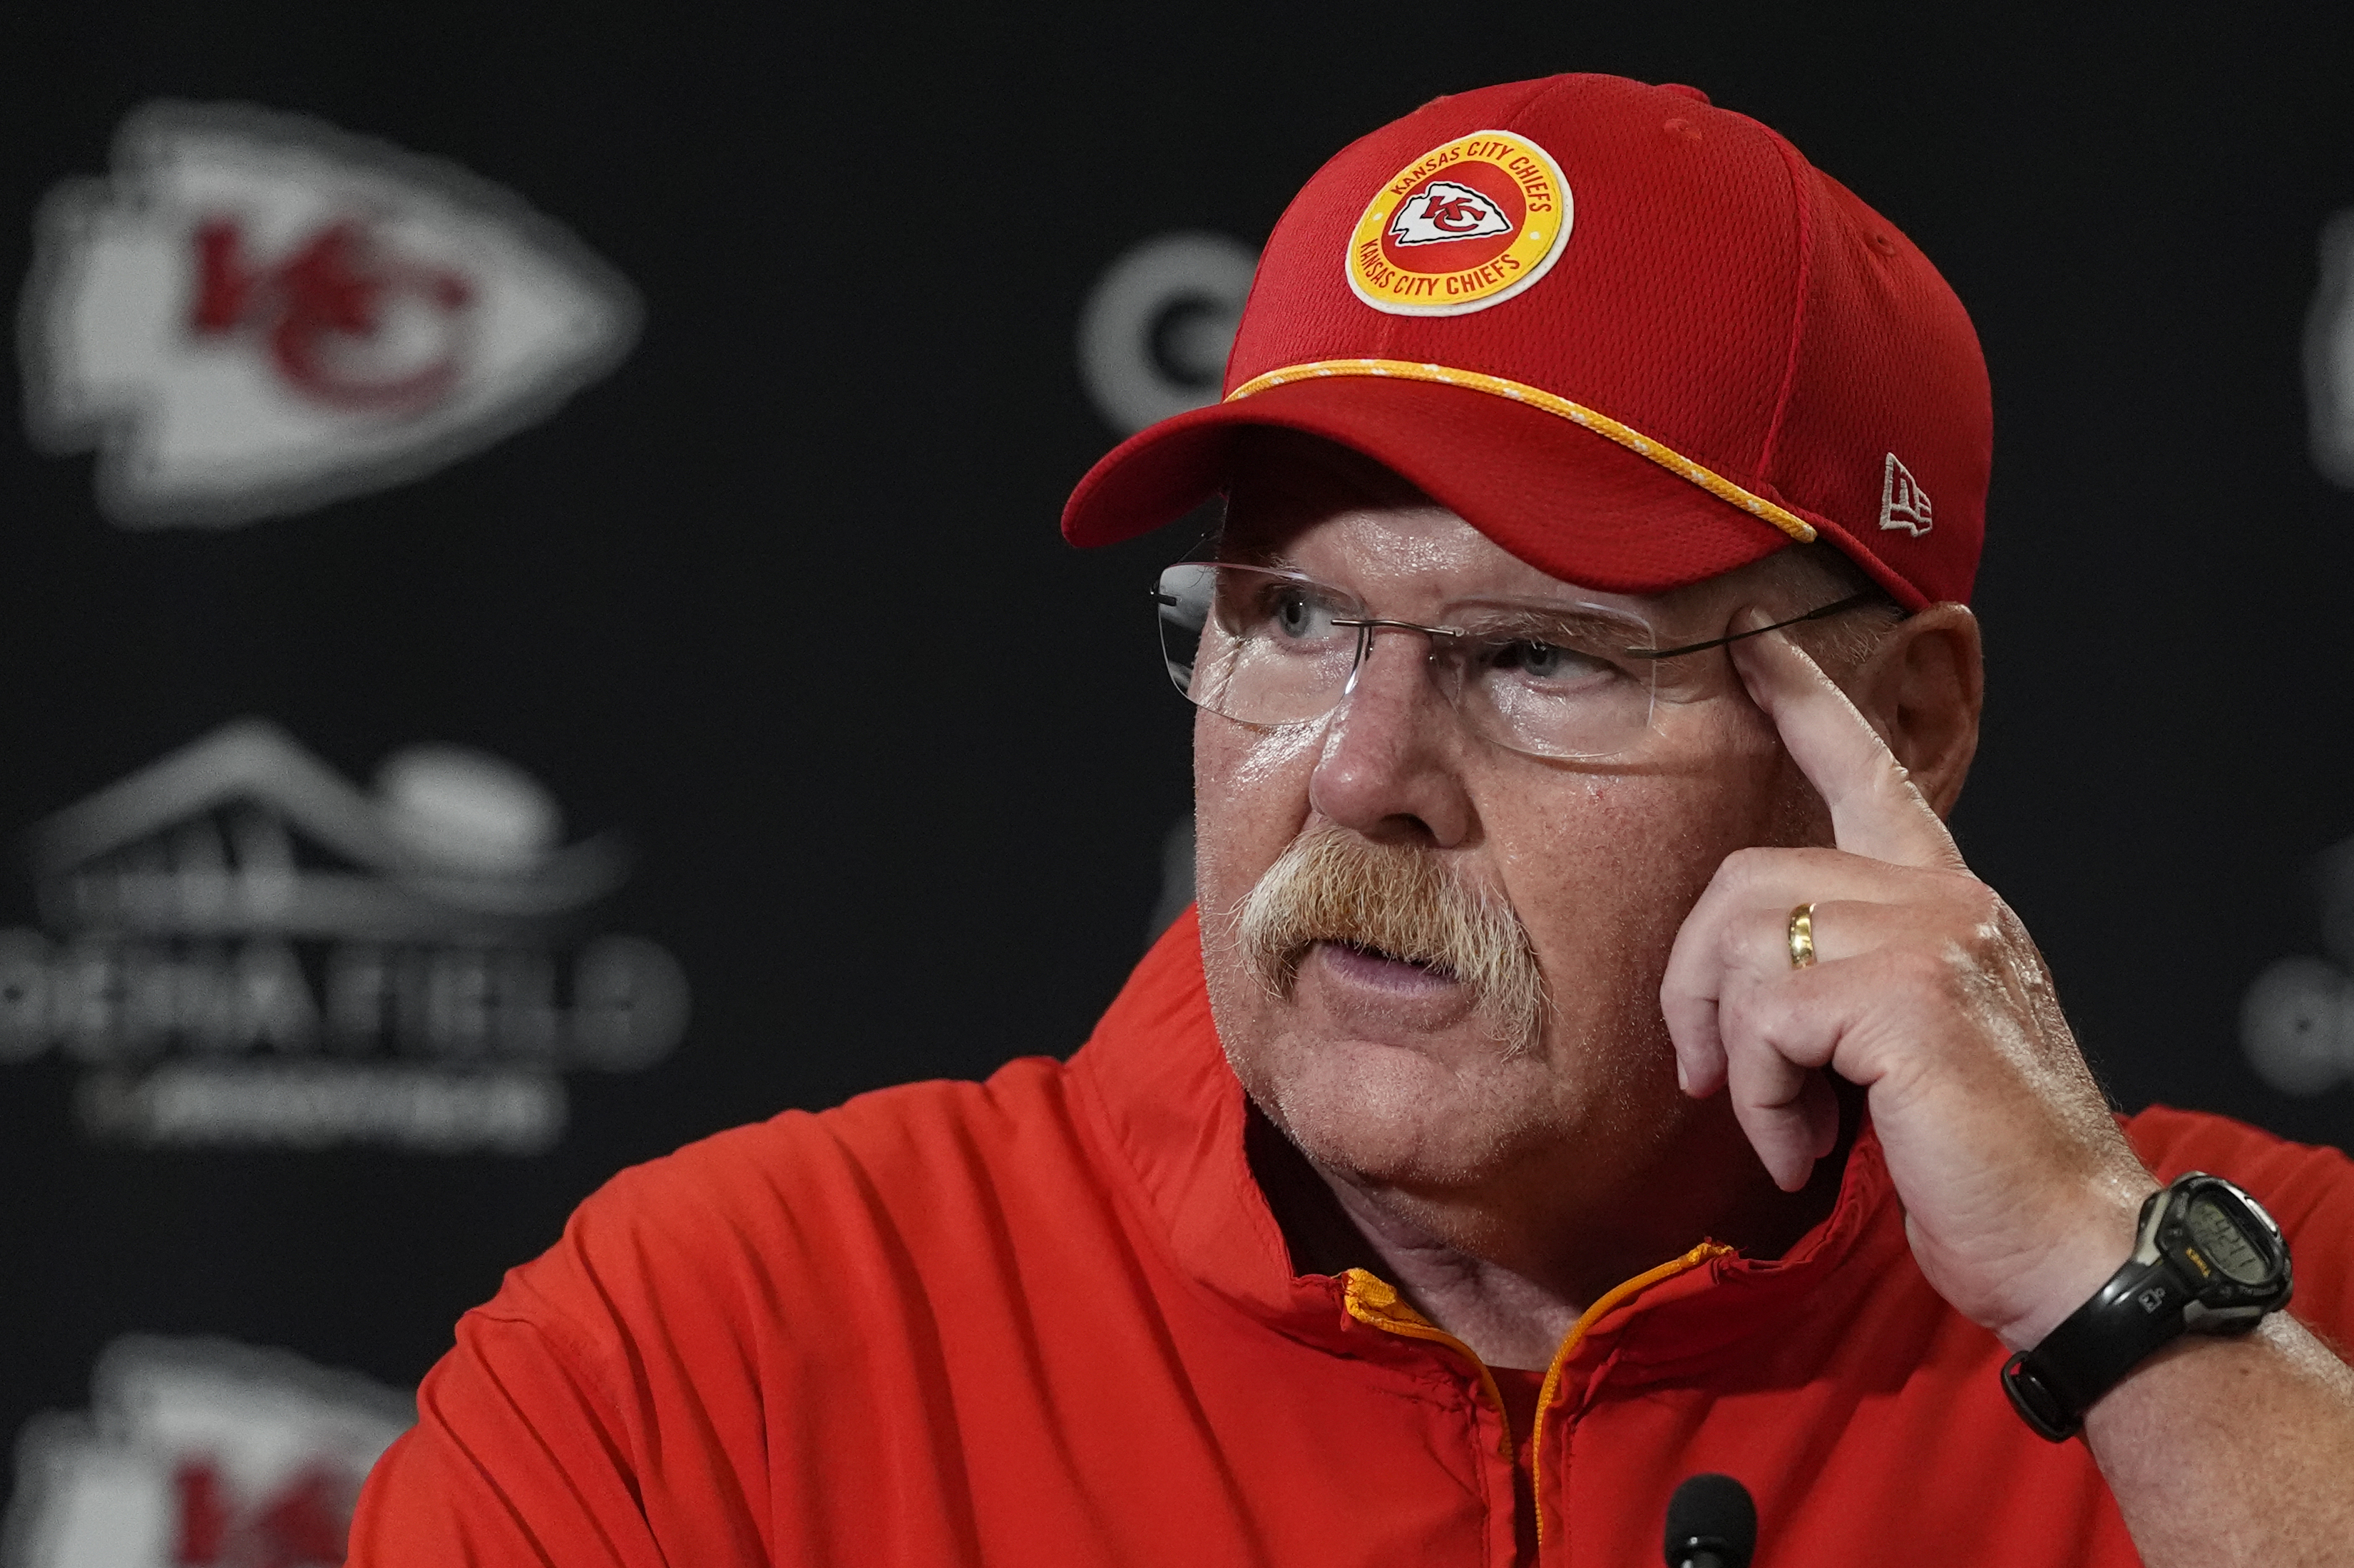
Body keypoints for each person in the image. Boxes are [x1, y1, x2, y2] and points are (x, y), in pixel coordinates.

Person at [350, 73, 2354, 1567]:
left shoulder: (2291, 1312)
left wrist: (2131, 1306)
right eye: (1293, 617)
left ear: (1904, 726)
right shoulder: (702, 1364)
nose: (1360, 767)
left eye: (1544, 655)